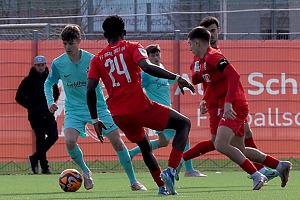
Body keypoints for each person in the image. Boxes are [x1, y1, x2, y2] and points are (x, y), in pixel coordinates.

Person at [86, 15, 195, 195]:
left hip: (118, 115)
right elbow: (148, 67)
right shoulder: (133, 47)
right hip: (140, 107)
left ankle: (162, 187)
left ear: (104, 34)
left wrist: (95, 119)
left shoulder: (97, 59)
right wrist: (176, 78)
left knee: (145, 147)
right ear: (124, 32)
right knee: (184, 123)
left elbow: (90, 90)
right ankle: (172, 169)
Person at [185, 25, 292, 190]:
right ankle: (279, 166)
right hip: (228, 104)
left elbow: (234, 75)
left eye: (190, 44)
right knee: (237, 148)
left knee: (220, 143)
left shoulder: (212, 56)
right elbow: (203, 81)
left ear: (197, 42)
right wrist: (205, 96)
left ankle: (257, 175)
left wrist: (228, 103)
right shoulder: (203, 59)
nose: (189, 47)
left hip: (234, 105)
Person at [44, 24, 146, 191]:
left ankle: (134, 181)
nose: (68, 47)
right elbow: (49, 83)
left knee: (117, 142)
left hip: (98, 108)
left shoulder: (93, 60)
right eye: (65, 44)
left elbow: (109, 79)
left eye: (71, 43)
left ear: (79, 41)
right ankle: (85, 171)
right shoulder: (58, 63)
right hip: (74, 110)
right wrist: (50, 101)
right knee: (69, 142)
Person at [128, 44, 206, 178]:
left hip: (165, 111)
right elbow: (138, 88)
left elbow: (169, 81)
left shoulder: (162, 68)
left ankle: (132, 153)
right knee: (184, 134)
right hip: (159, 113)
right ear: (147, 57)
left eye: (157, 54)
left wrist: (180, 83)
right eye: (152, 55)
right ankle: (187, 169)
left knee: (163, 142)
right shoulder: (146, 74)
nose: (156, 57)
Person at [15, 55, 59, 174]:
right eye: (39, 65)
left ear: (45, 65)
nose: (41, 67)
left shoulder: (50, 79)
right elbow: (19, 97)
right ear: (34, 66)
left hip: (48, 113)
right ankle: (44, 167)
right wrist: (32, 106)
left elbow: (56, 93)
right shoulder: (28, 80)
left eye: (43, 65)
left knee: (54, 135)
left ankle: (35, 157)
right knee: (40, 138)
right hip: (35, 115)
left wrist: (50, 104)